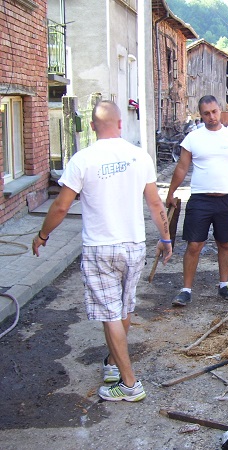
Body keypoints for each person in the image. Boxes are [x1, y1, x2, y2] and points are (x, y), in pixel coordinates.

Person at [32, 100, 173, 402]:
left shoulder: (82, 159)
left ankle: (130, 383)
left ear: (93, 126)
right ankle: (112, 364)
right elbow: (155, 204)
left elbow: (60, 205)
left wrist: (43, 234)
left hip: (100, 247)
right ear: (121, 124)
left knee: (110, 314)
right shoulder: (139, 156)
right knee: (123, 309)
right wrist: (166, 238)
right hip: (133, 245)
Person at [166, 95, 228, 306]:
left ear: (220, 110)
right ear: (200, 115)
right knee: (194, 245)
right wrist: (170, 193)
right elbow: (181, 167)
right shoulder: (193, 138)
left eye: (214, 112)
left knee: (225, 243)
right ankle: (186, 290)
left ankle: (224, 285)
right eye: (206, 113)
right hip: (200, 200)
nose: (211, 117)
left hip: (226, 200)